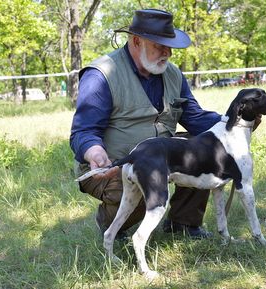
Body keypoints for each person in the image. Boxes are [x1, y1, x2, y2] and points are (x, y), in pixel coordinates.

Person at [70, 9, 222, 240]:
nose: (168, 52)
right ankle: (111, 223)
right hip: (112, 164)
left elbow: (196, 119)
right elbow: (84, 131)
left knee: (199, 147)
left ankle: (183, 223)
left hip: (161, 158)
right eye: (160, 45)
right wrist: (94, 152)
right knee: (142, 182)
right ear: (136, 41)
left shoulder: (173, 74)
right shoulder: (101, 74)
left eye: (169, 46)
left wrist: (234, 122)